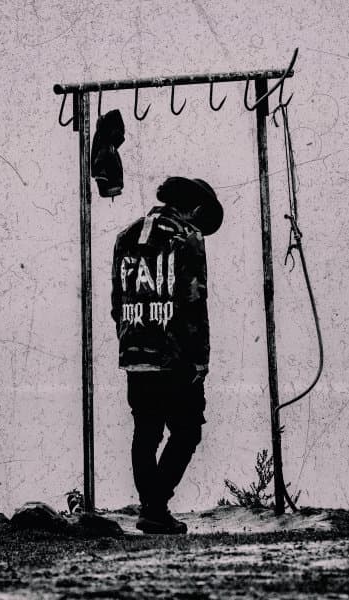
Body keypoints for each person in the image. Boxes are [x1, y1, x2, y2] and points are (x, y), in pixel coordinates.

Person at [111, 176, 223, 534]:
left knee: (146, 431)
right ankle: (155, 507)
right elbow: (194, 303)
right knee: (187, 431)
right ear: (196, 208)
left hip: (135, 352)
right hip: (175, 355)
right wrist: (200, 359)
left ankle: (153, 508)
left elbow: (116, 302)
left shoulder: (125, 236)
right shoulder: (187, 238)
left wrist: (131, 338)